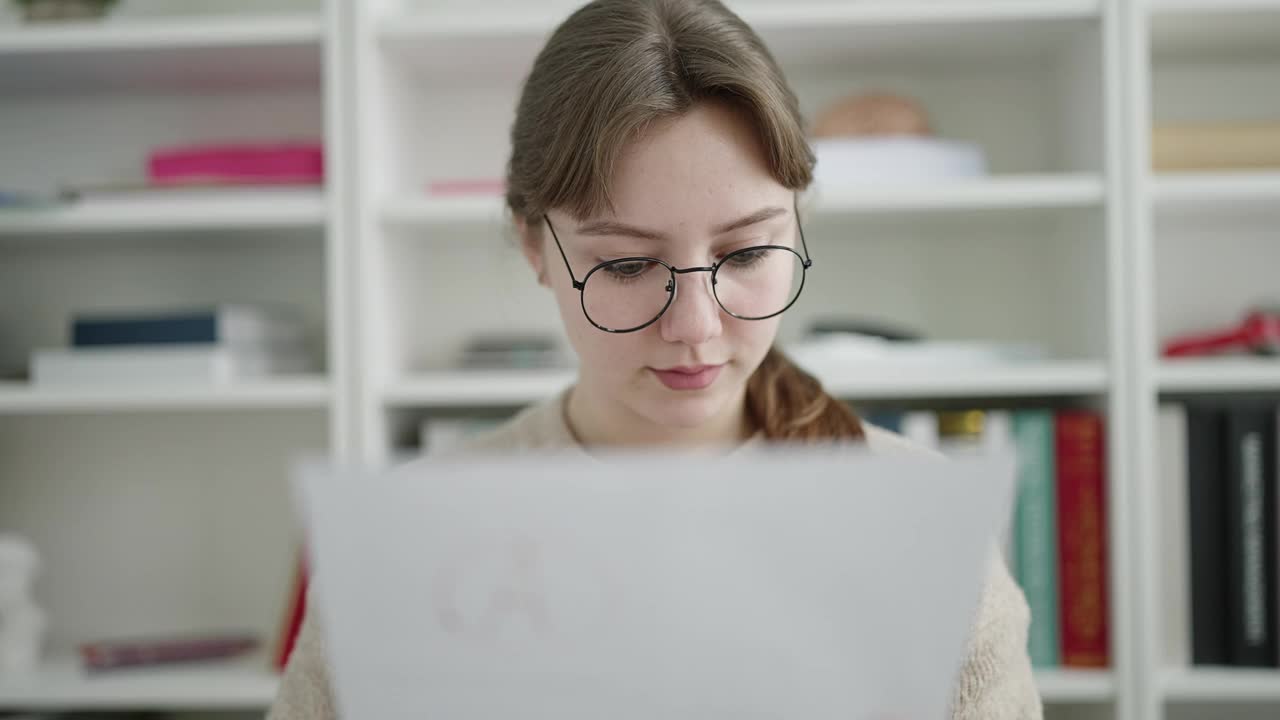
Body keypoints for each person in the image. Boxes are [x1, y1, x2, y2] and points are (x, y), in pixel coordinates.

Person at [267, 1, 1041, 717]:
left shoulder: (926, 529)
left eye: (746, 252)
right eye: (628, 267)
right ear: (536, 245)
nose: (696, 326)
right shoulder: (408, 546)